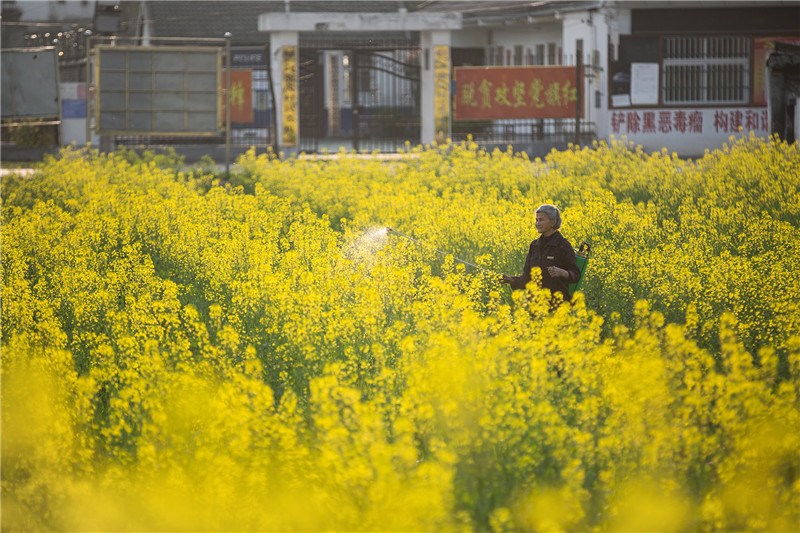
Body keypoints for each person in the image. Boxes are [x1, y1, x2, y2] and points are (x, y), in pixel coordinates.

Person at [501, 204, 581, 303]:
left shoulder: (563, 245)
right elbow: (527, 278)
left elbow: (576, 275)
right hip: (535, 304)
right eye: (536, 220)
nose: (537, 223)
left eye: (541, 220)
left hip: (557, 305)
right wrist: (511, 280)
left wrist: (562, 272)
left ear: (553, 221)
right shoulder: (534, 246)